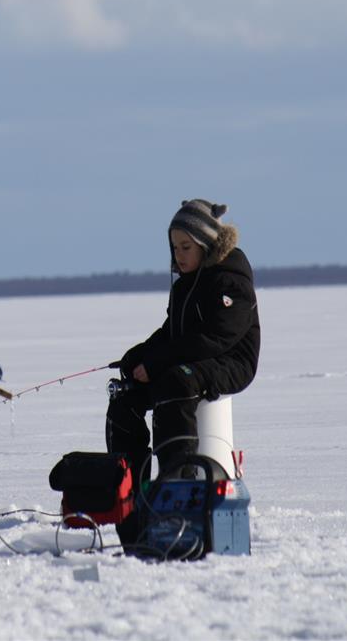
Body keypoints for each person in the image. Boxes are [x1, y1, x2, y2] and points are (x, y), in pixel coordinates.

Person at [106, 199, 260, 493]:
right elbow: (171, 333)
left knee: (175, 382)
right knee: (125, 399)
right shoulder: (185, 285)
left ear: (206, 244)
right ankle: (131, 492)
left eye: (186, 247)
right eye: (174, 247)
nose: (179, 255)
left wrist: (158, 362)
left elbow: (218, 337)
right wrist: (139, 356)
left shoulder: (231, 280)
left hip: (230, 362)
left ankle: (178, 484)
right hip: (192, 360)